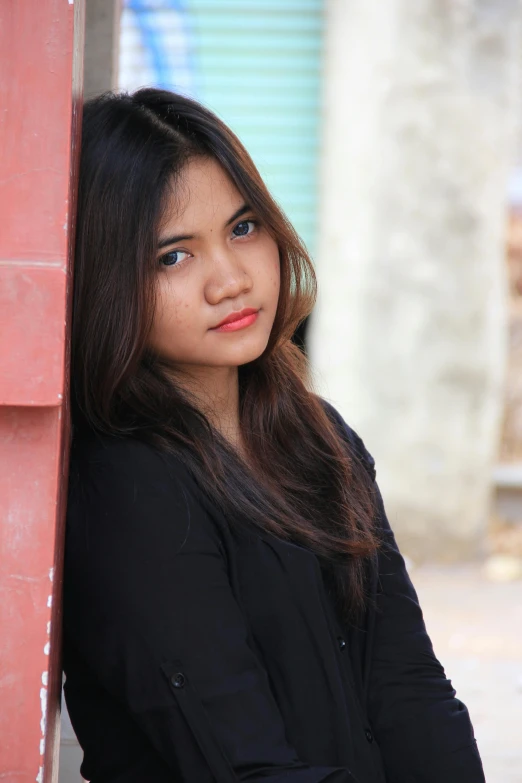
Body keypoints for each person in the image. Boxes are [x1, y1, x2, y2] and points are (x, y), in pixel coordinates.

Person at [63, 88, 485, 783]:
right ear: (108, 279)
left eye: (243, 227)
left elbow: (410, 686)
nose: (229, 279)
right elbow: (246, 768)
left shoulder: (318, 437)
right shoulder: (130, 488)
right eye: (173, 256)